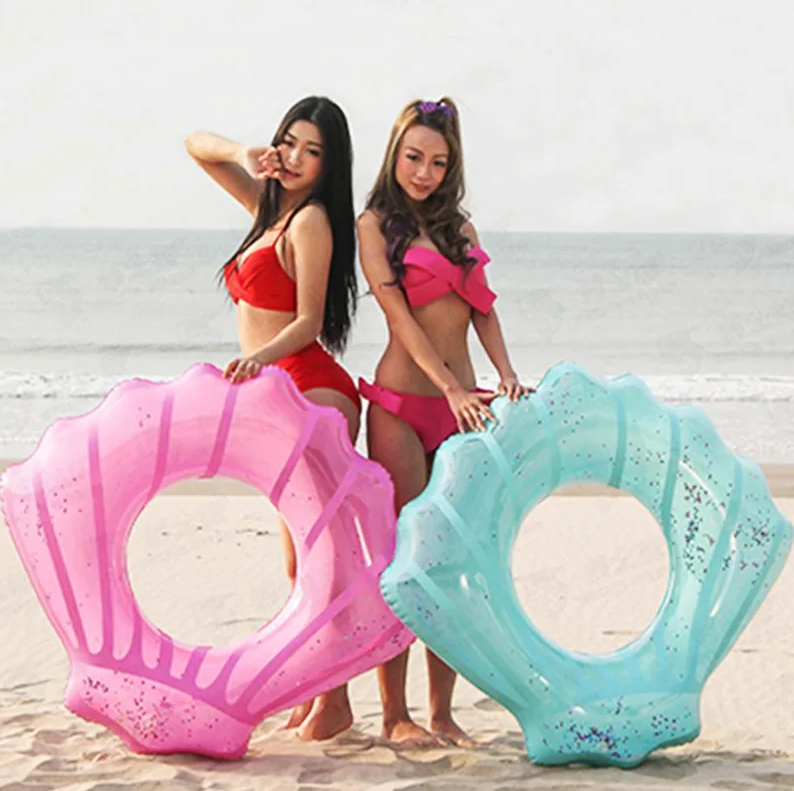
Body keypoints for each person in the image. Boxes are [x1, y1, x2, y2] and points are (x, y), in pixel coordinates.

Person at [357, 97, 533, 747]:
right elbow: (400, 318)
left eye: (437, 162)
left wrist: (505, 374)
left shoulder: (461, 229)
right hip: (403, 406)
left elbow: (483, 308)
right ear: (394, 154)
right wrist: (451, 387)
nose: (423, 172)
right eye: (413, 158)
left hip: (464, 405)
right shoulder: (374, 225)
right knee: (404, 559)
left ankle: (441, 714)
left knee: (450, 560)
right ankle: (393, 714)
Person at [185, 96, 359, 741]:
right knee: (296, 563)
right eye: (289, 142)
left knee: (320, 556)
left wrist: (256, 359)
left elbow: (309, 322)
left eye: (313, 152)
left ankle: (336, 699)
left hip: (312, 389)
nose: (296, 158)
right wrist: (245, 153)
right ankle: (316, 688)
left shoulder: (310, 221)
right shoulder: (268, 209)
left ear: (328, 166)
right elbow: (196, 146)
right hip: (273, 392)